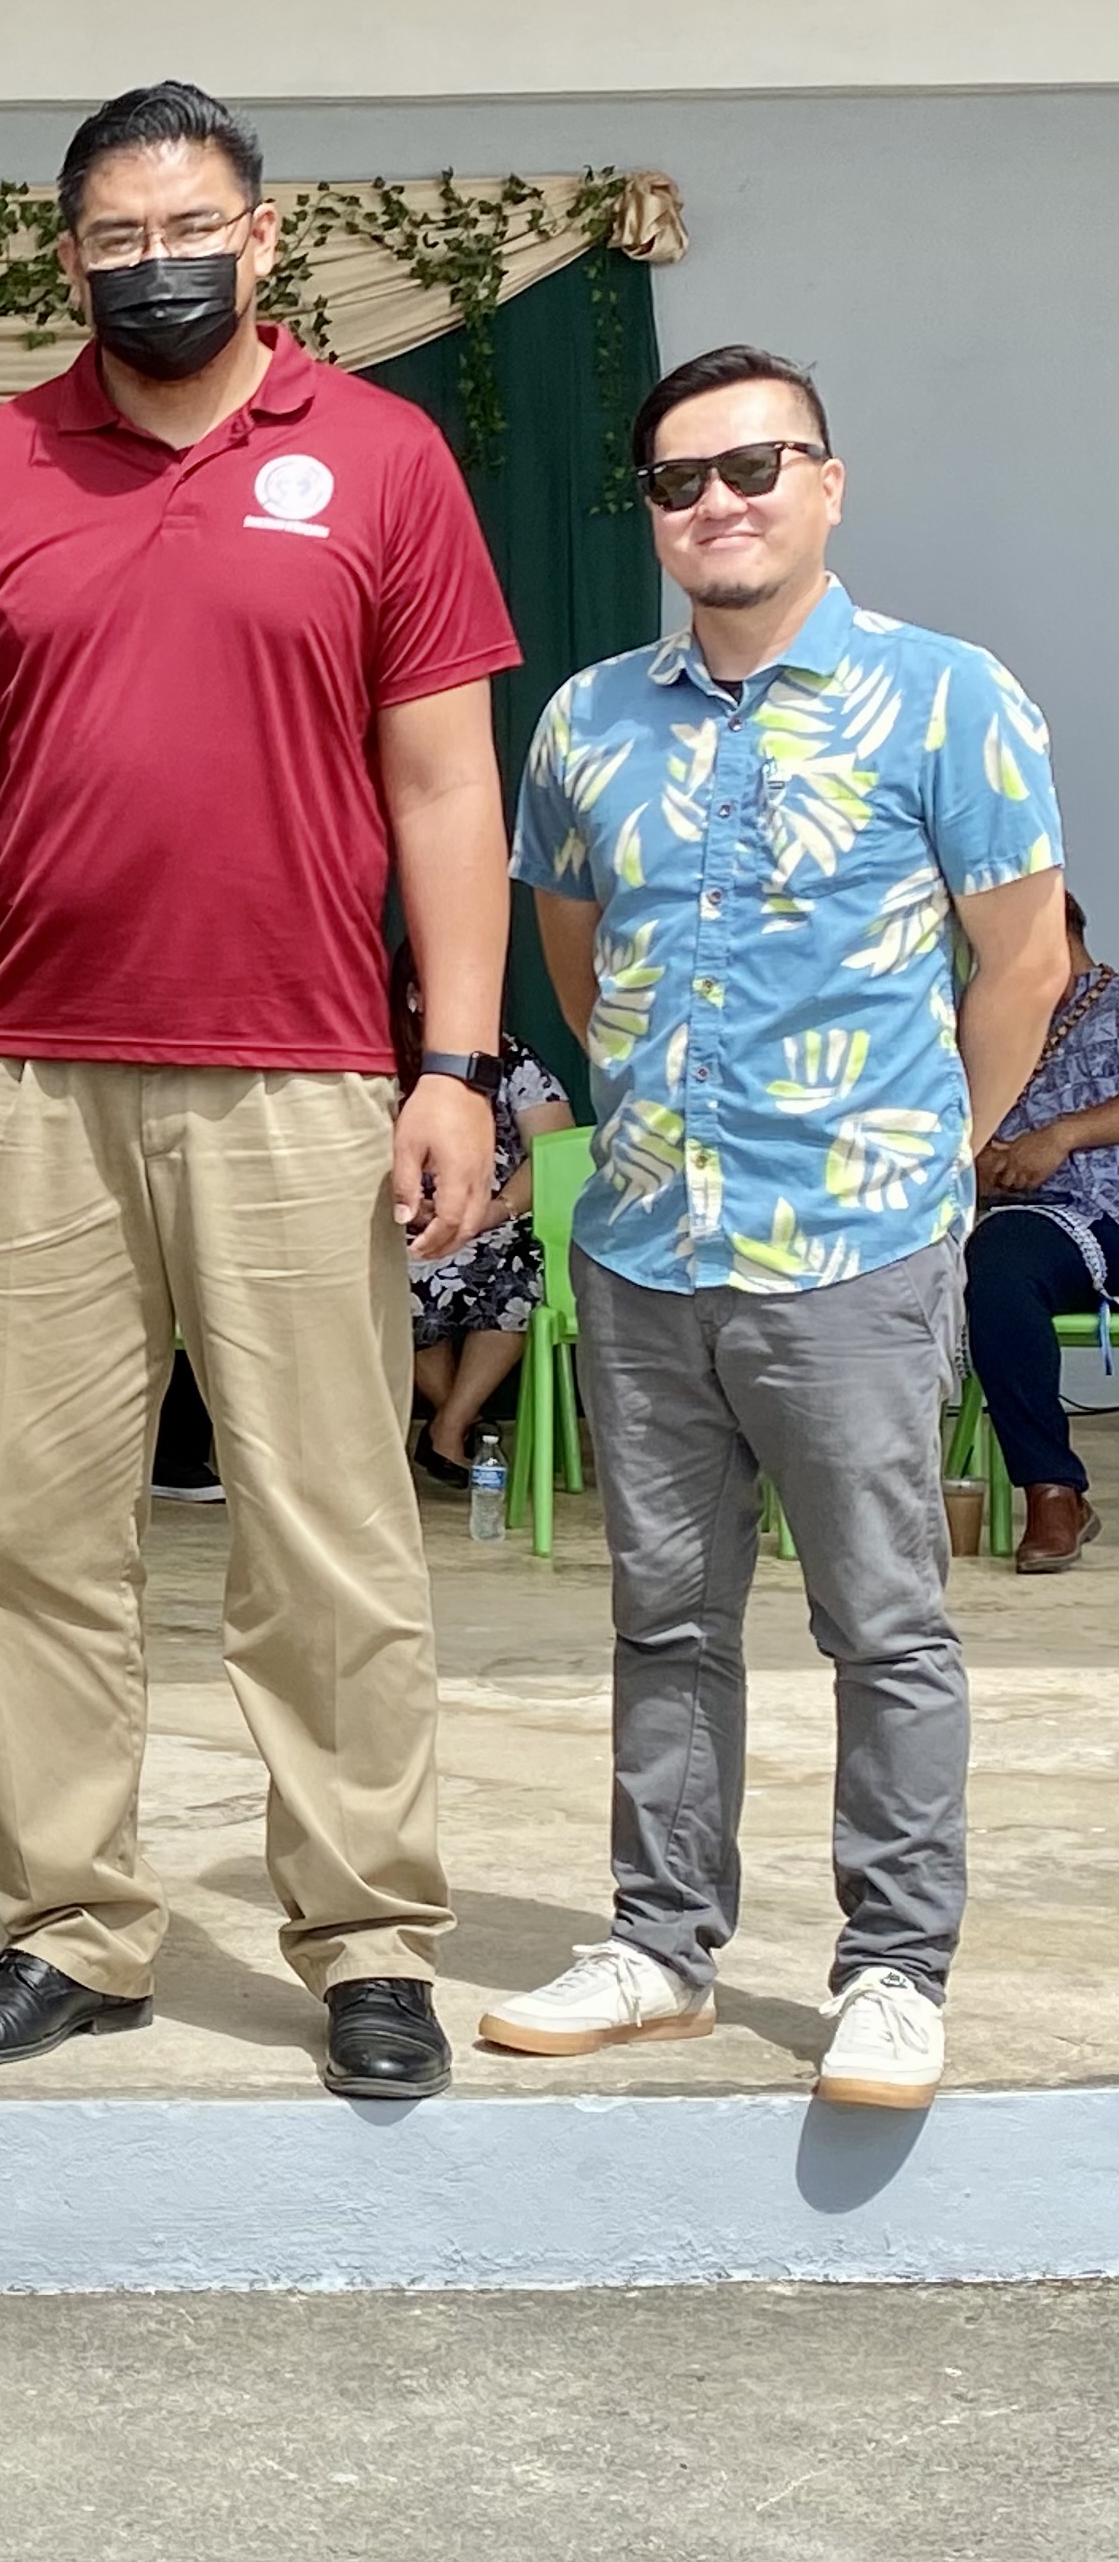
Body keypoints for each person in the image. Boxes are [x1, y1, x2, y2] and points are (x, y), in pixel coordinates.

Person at [0, 80, 522, 2101]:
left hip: (307, 1076)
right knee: (35, 1543)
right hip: (32, 1077)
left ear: (261, 233)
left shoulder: (385, 461)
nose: (156, 257)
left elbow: (445, 784)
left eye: (190, 224)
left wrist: (461, 1059)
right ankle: (72, 1924)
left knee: (325, 1535)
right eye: (115, 233)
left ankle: (367, 1937)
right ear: (69, 257)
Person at [486, 345, 1068, 2110]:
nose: (717, 503)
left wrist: (935, 1157)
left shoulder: (947, 697)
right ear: (651, 518)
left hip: (857, 1250)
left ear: (826, 483)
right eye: (679, 481)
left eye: (755, 466)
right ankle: (661, 1946)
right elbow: (574, 957)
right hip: (649, 1249)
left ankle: (895, 1965)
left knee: (882, 1624)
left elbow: (1022, 958)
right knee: (666, 1620)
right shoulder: (590, 719)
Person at [968, 891, 1119, 1572]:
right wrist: (976, 1164)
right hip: (1040, 1226)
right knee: (994, 1265)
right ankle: (1054, 1492)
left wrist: (1060, 1136)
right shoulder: (984, 1026)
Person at [392, 938, 576, 1484]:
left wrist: (493, 1210)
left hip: (494, 1227)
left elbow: (554, 1147)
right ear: (413, 997)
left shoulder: (513, 1060)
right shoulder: (379, 1066)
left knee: (520, 1266)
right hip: (402, 1226)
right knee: (401, 1266)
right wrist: (413, 1205)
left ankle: (447, 1427)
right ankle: (460, 1422)